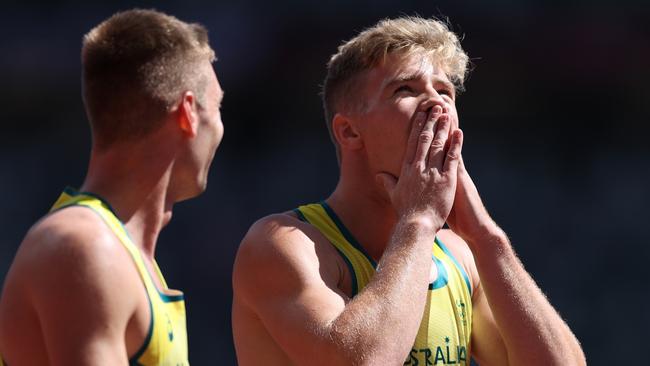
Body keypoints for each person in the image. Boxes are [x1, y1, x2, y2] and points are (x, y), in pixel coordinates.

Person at [232, 16, 585, 365]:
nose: (437, 104)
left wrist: (486, 237)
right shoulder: (282, 244)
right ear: (350, 132)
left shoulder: (458, 255)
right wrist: (418, 221)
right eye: (406, 89)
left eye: (445, 91)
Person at [0, 9, 223, 365]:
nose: (221, 129)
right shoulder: (85, 248)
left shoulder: (119, 251)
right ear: (189, 113)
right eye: (218, 107)